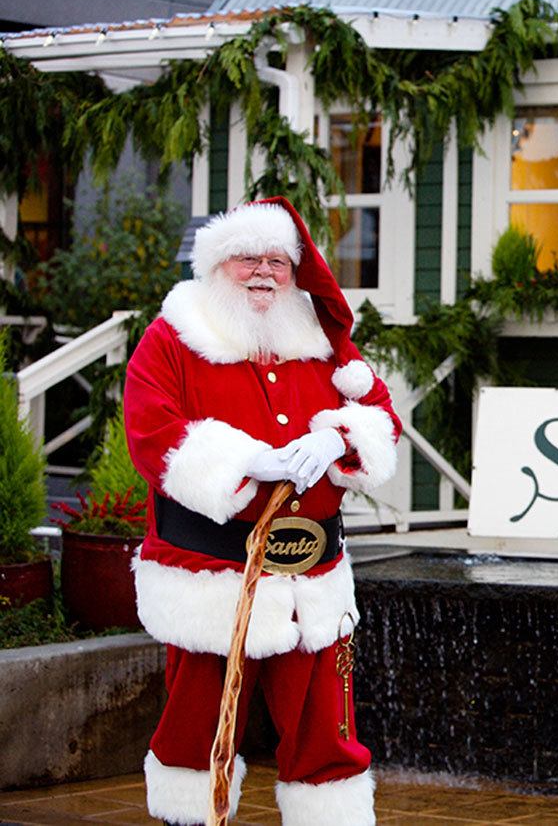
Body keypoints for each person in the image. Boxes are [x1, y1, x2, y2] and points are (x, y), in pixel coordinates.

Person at [124, 197, 400, 825]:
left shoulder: (322, 339)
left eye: (277, 261)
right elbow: (150, 430)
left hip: (311, 579)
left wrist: (338, 438)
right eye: (247, 258)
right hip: (211, 574)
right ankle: (190, 818)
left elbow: (381, 415)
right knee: (198, 722)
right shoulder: (173, 338)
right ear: (217, 264)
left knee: (325, 731)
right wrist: (248, 460)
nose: (263, 273)